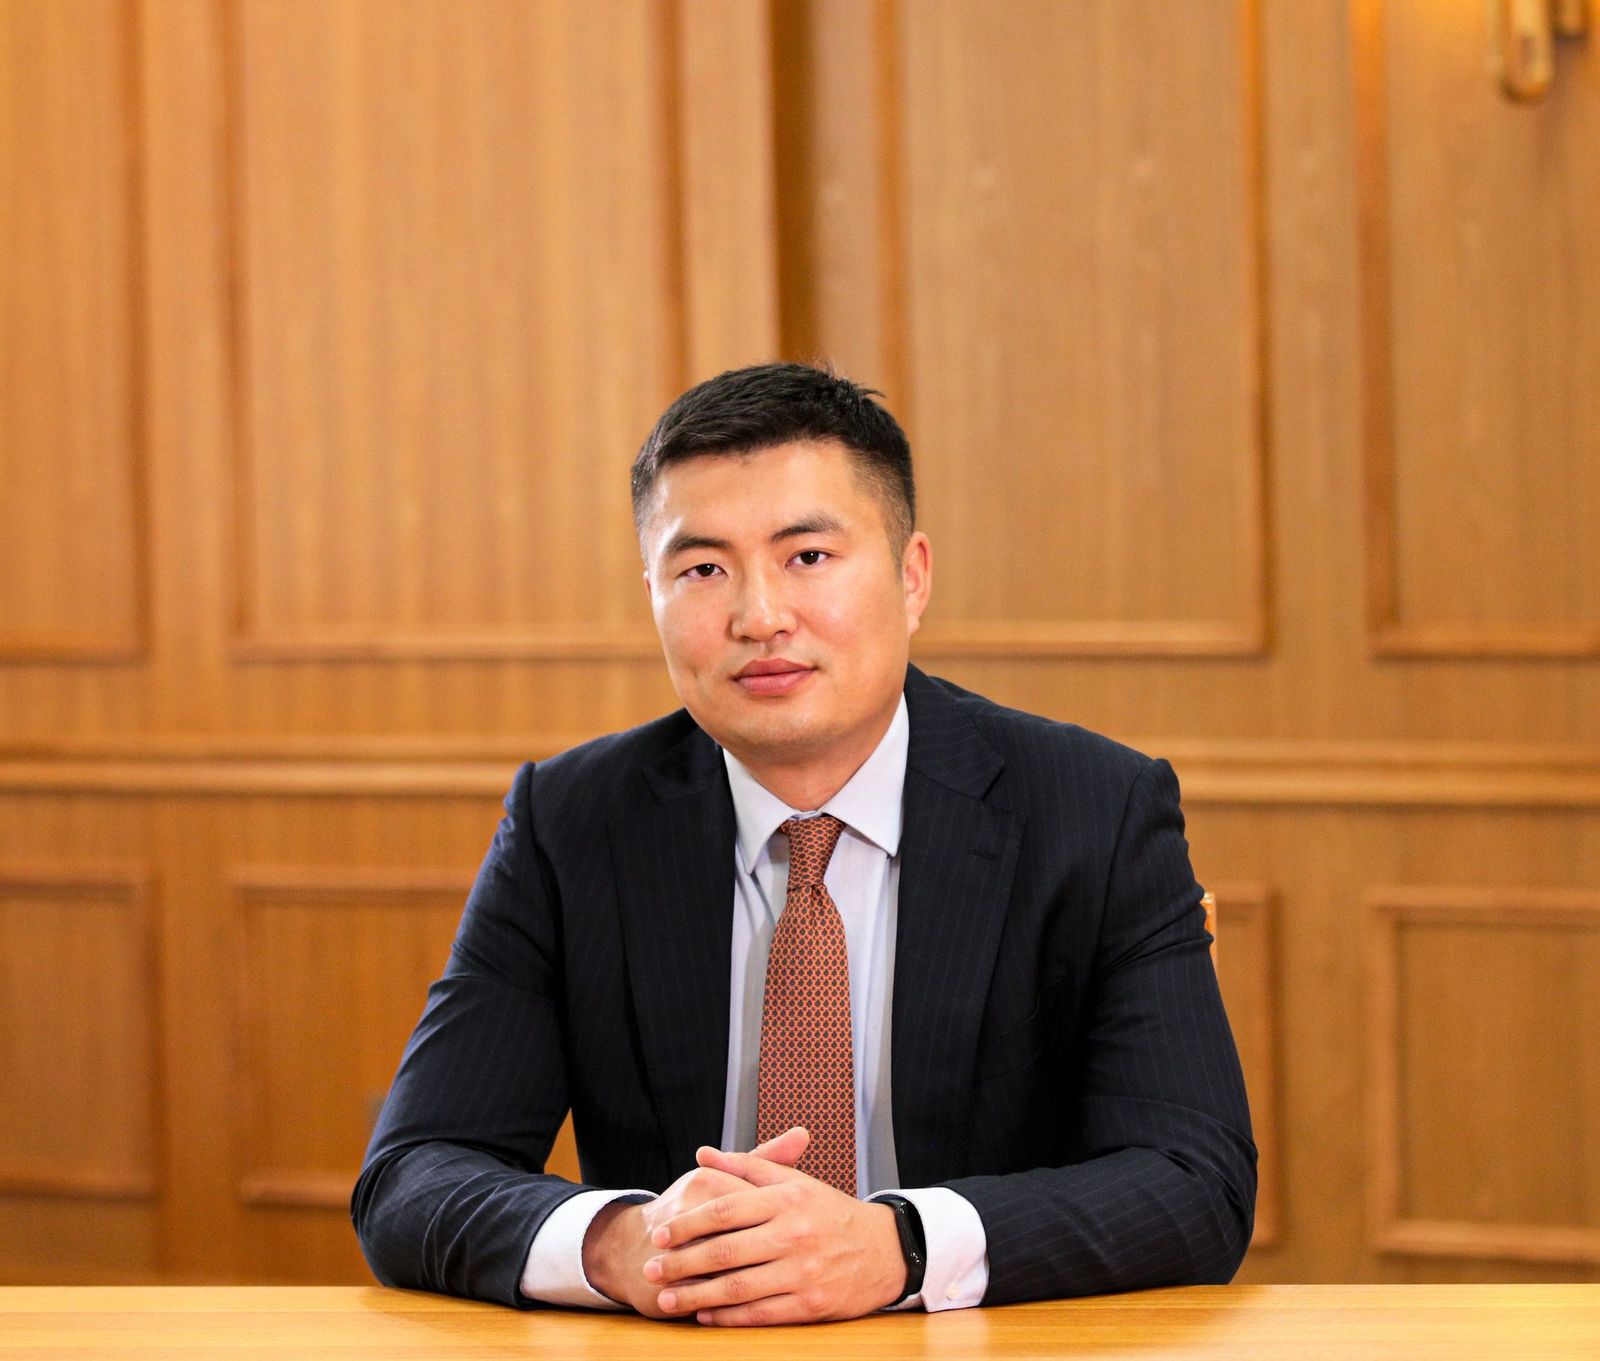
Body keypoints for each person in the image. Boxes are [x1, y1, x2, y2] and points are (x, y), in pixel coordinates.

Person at [351, 362, 1255, 1326]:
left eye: (808, 556)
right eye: (703, 570)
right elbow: (412, 1174)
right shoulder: (572, 822)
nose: (760, 617)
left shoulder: (1093, 810)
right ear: (652, 593)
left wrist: (899, 1246)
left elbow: (1194, 1179)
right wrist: (625, 1241)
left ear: (911, 576)